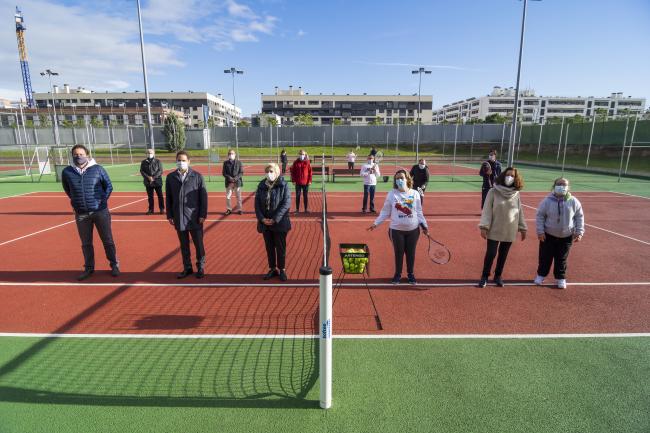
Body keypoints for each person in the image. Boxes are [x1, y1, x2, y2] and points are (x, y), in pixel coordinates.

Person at [61, 144, 119, 281]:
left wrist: (101, 202)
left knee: (107, 240)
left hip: (100, 212)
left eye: (81, 154)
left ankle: (114, 265)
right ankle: (89, 268)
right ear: (72, 155)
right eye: (75, 154)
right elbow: (68, 190)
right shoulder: (67, 172)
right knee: (86, 243)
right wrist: (76, 202)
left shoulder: (98, 169)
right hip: (81, 214)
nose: (78, 156)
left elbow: (109, 187)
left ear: (87, 154)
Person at [369, 170, 428, 285]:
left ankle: (411, 274)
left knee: (411, 253)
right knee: (399, 253)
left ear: (407, 178)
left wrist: (424, 225)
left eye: (401, 177)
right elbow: (385, 211)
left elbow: (419, 212)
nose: (399, 180)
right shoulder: (392, 194)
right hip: (396, 231)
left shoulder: (415, 193)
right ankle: (398, 274)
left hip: (413, 230)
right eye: (397, 178)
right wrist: (376, 223)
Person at [477, 167, 527, 288]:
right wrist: (484, 226)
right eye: (508, 175)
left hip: (510, 229)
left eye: (512, 176)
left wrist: (523, 227)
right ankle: (484, 276)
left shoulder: (516, 194)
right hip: (494, 228)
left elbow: (519, 211)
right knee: (491, 253)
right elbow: (487, 210)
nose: (510, 177)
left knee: (503, 254)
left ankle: (498, 275)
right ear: (503, 176)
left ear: (516, 178)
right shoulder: (493, 191)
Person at [534, 178, 585, 289]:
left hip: (566, 236)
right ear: (554, 186)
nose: (562, 186)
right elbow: (540, 216)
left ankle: (560, 278)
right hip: (548, 235)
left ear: (568, 187)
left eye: (564, 184)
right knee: (545, 257)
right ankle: (541, 275)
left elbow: (579, 217)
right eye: (559, 184)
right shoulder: (547, 201)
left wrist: (579, 232)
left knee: (561, 258)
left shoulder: (573, 201)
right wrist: (540, 231)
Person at [166, 151, 208, 279]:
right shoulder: (170, 177)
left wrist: (202, 214)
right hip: (179, 217)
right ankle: (187, 267)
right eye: (179, 160)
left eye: (183, 160)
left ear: (189, 161)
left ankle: (200, 266)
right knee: (184, 245)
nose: (181, 162)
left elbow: (203, 198)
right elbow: (168, 197)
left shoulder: (197, 177)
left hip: (195, 217)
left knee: (198, 244)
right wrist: (170, 215)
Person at [255, 163, 291, 281]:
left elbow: (286, 204)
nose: (269, 173)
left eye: (271, 171)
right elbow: (257, 205)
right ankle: (272, 269)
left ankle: (282, 270)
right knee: (269, 248)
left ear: (277, 172)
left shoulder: (284, 185)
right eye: (267, 171)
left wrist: (275, 219)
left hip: (280, 223)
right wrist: (262, 219)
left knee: (281, 248)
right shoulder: (261, 185)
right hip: (265, 224)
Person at [139, 148, 164, 215]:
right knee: (150, 197)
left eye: (151, 153)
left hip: (157, 182)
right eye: (148, 153)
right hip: (148, 182)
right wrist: (148, 177)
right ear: (146, 154)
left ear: (153, 153)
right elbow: (142, 171)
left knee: (160, 196)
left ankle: (162, 209)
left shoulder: (158, 161)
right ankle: (151, 210)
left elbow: (160, 171)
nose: (149, 154)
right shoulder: (143, 162)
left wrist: (153, 177)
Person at [222, 148, 243, 215]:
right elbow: (224, 173)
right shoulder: (225, 163)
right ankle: (229, 209)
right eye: (229, 154)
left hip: (237, 182)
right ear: (228, 155)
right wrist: (229, 178)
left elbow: (241, 172)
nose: (231, 155)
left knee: (238, 197)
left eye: (232, 153)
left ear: (235, 154)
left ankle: (239, 209)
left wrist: (235, 178)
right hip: (229, 183)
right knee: (228, 196)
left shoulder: (239, 162)